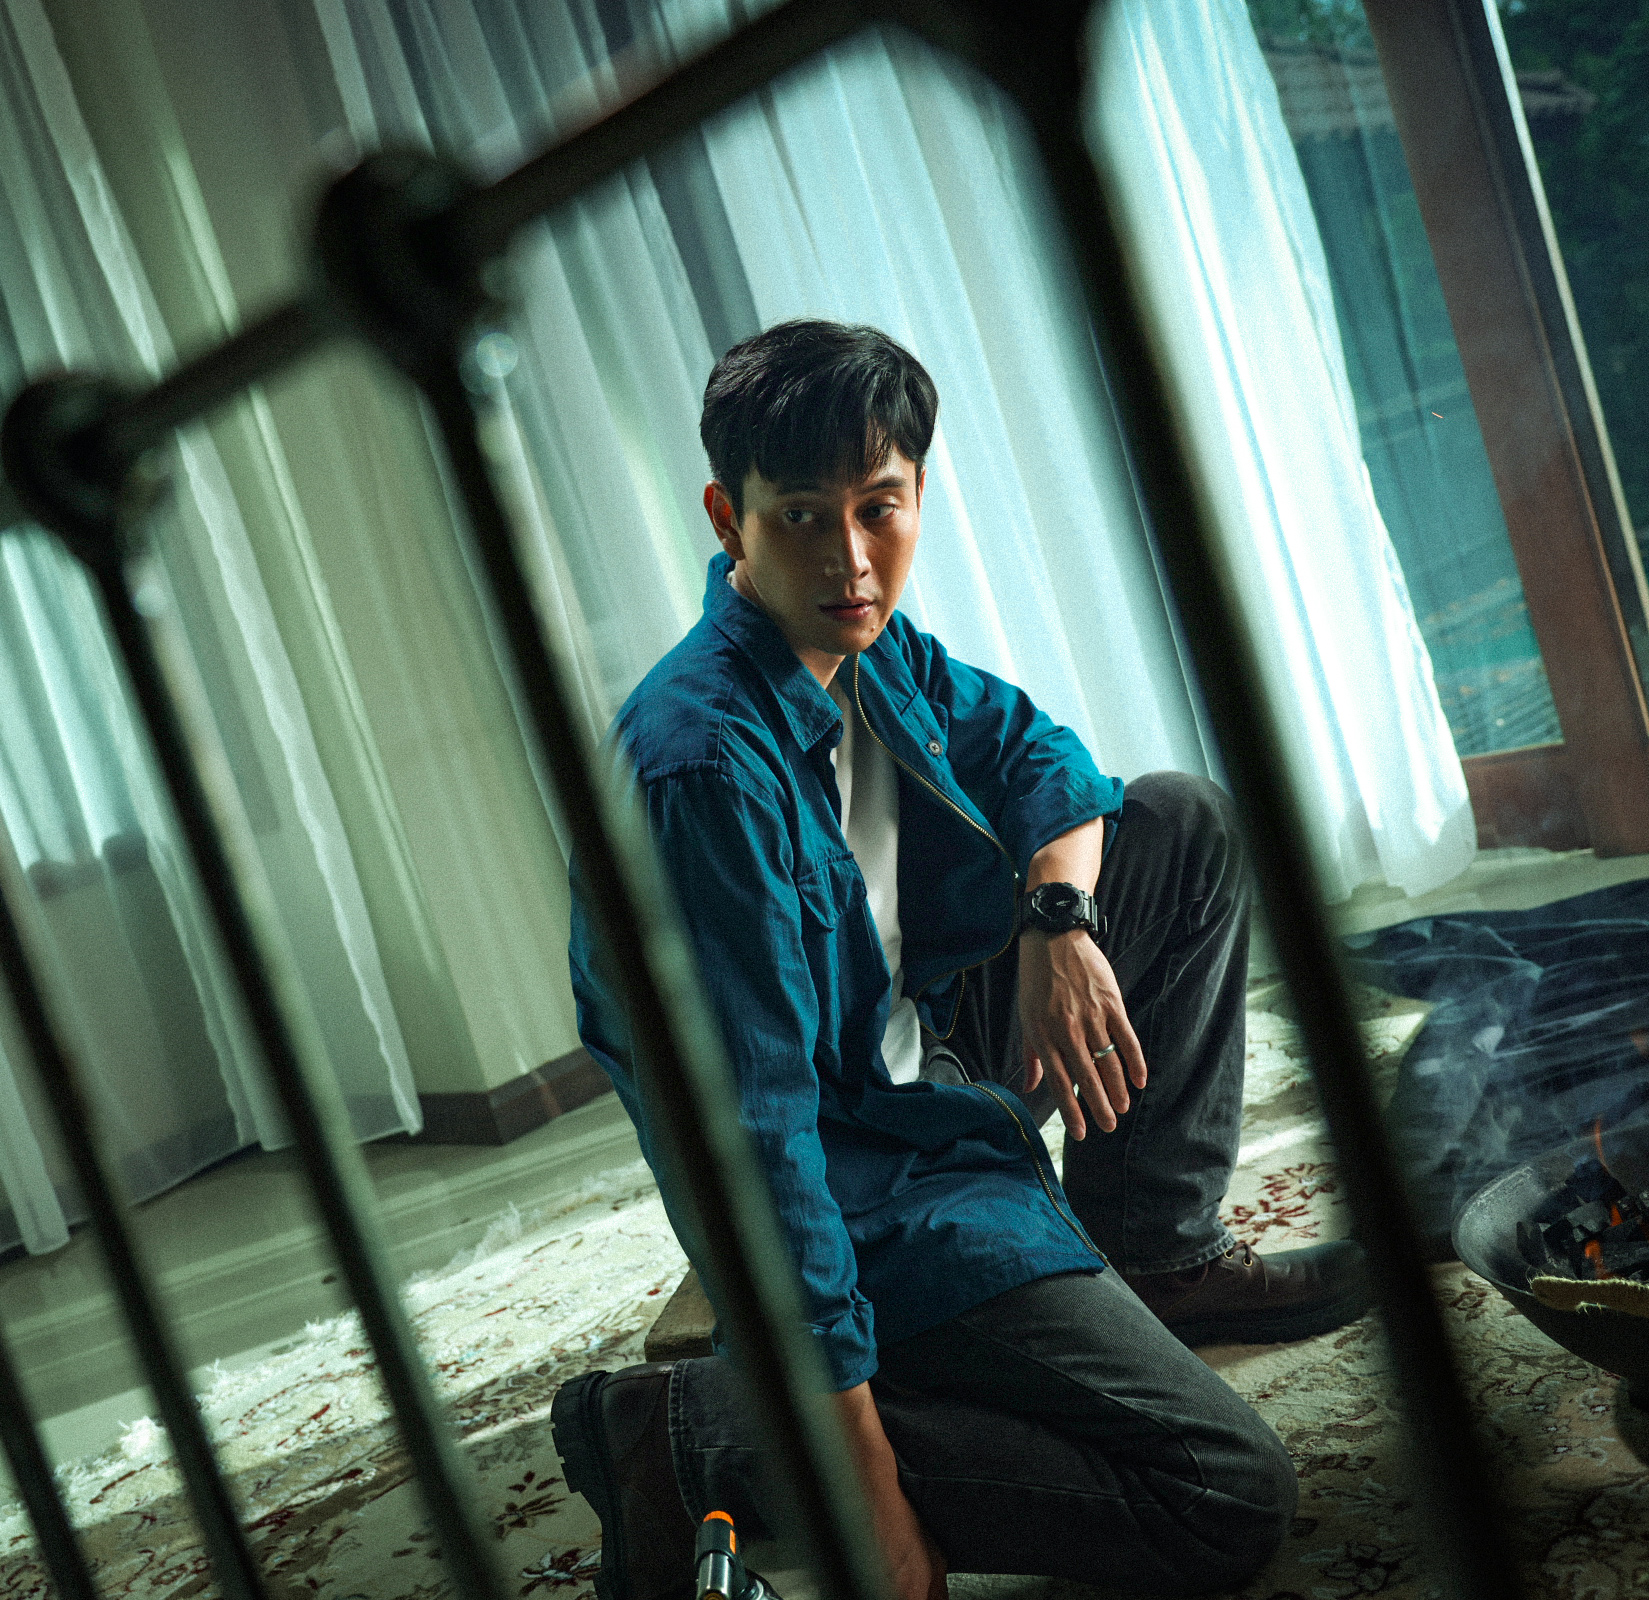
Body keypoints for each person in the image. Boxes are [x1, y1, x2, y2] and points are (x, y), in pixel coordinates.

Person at [553, 321, 1367, 1600]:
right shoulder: (700, 771)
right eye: (802, 517)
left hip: (930, 1057)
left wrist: (1059, 925)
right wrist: (870, 1501)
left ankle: (1155, 1248)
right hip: (860, 1170)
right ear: (728, 518)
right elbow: (755, 1155)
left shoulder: (872, 648)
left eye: (878, 509)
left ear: (919, 495)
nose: (850, 557)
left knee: (1179, 825)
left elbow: (1046, 756)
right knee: (1225, 1492)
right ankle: (689, 1430)